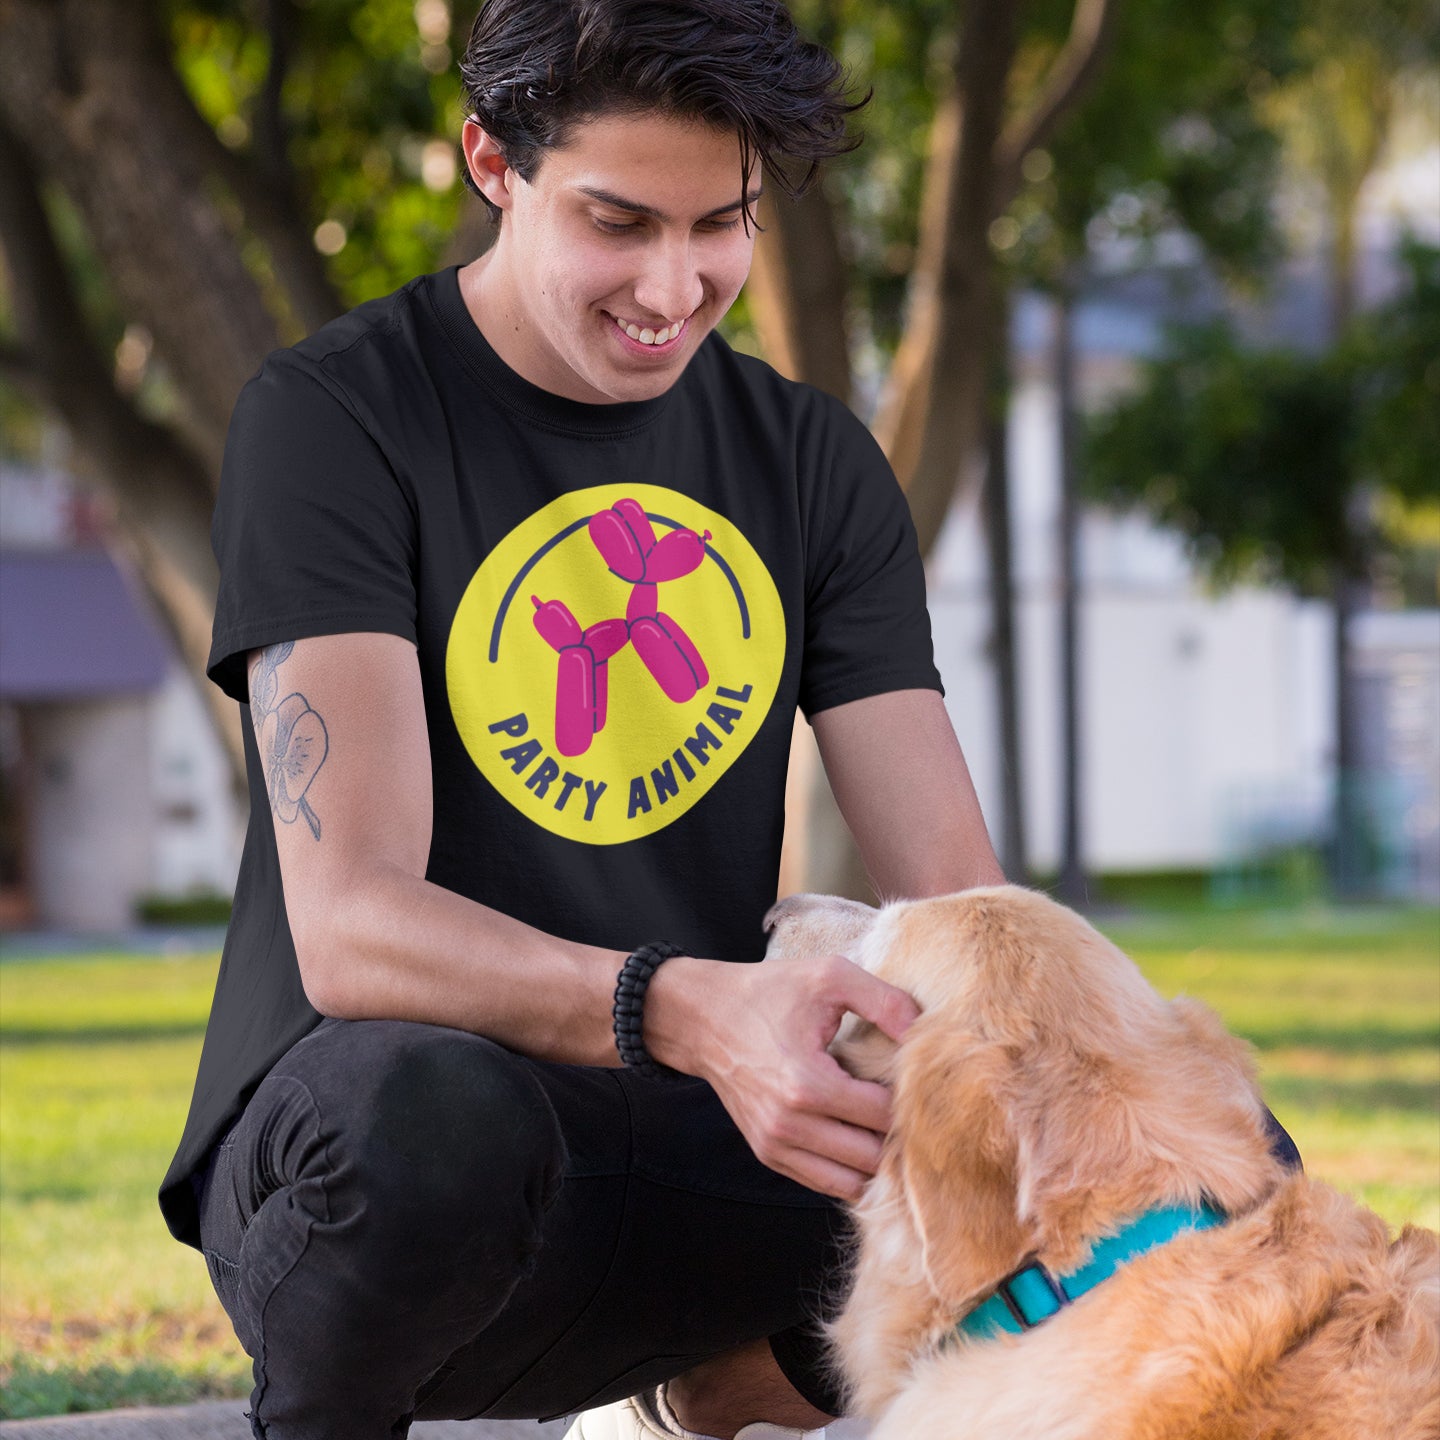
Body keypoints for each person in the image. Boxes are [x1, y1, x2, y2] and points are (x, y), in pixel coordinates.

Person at [158, 2, 1006, 1436]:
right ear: (492, 162)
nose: (673, 286)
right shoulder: (337, 418)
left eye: (718, 226)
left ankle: (721, 1382)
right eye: (619, 222)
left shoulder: (808, 460)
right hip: (380, 1169)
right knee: (434, 1121)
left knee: (1147, 1153)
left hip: (691, 1145)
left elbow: (960, 904)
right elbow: (356, 924)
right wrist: (693, 1006)